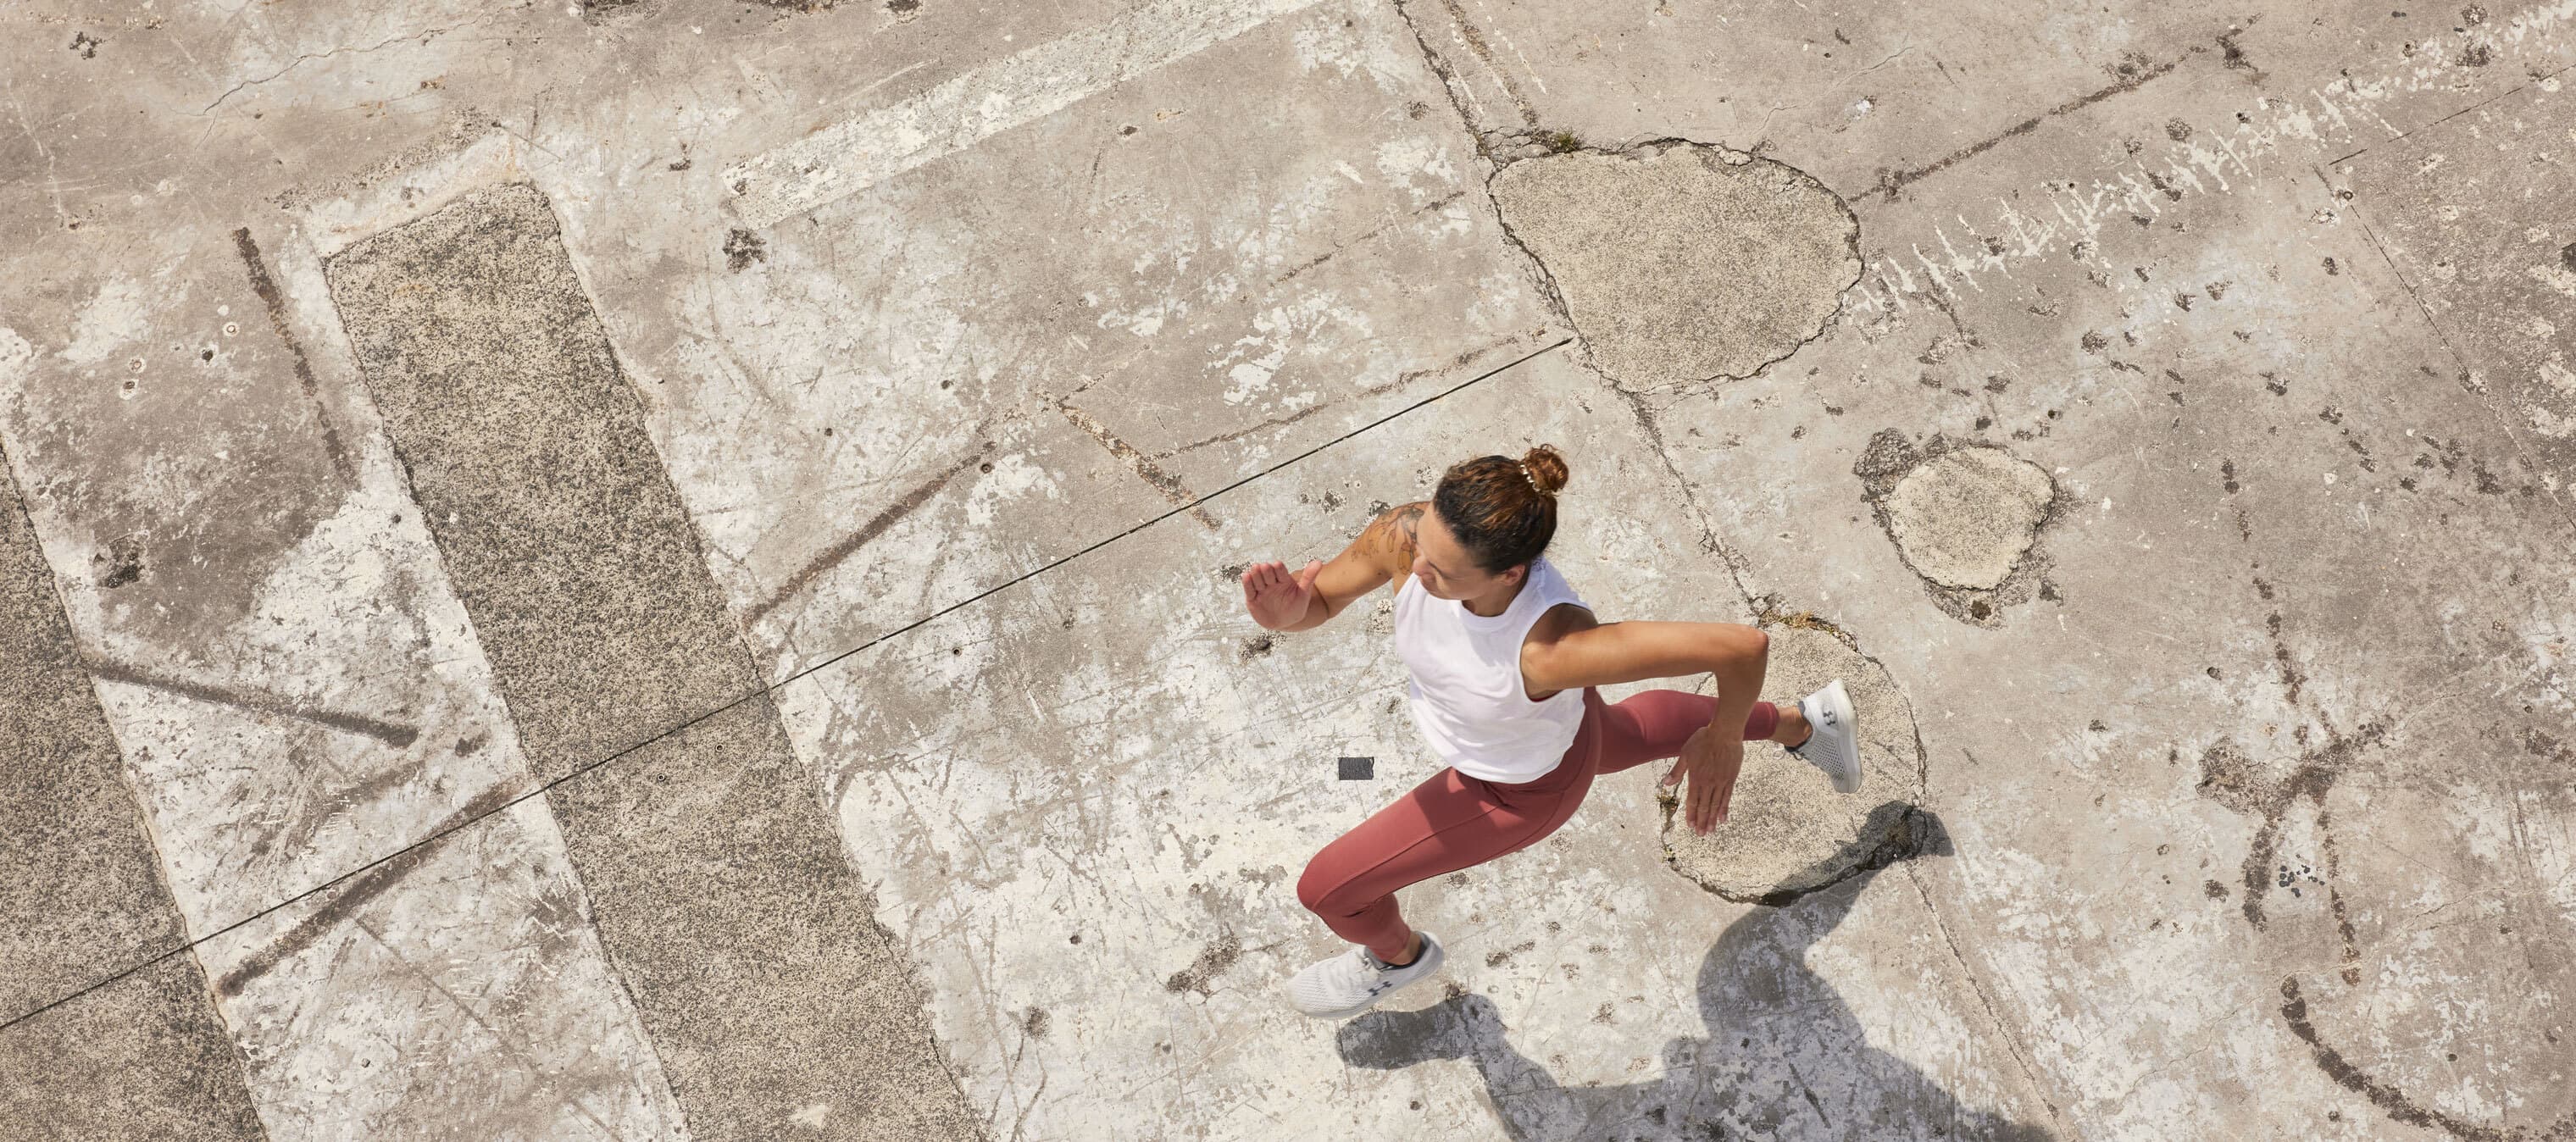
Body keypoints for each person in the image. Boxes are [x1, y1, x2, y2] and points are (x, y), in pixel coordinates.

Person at [1240, 445, 1862, 1020]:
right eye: (1423, 541)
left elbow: (1742, 647)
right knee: (1628, 729)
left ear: (1510, 574)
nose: (1416, 568)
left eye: (1444, 573)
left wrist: (1723, 740)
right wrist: (1291, 613)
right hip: (1555, 726)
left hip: (1518, 789)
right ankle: (1804, 723)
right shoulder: (1409, 537)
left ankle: (1398, 957)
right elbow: (1318, 600)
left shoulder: (1554, 651)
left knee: (1328, 890)